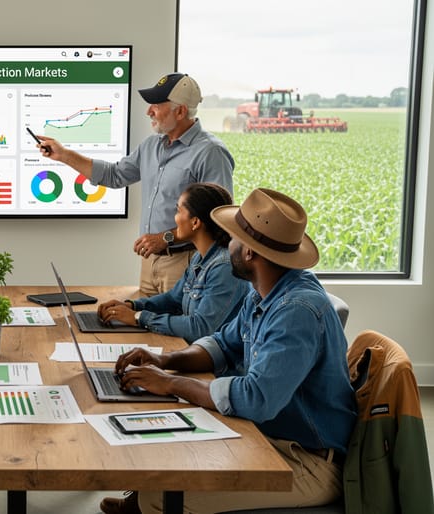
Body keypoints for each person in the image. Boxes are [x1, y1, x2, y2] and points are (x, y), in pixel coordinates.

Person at [99, 188, 357, 514]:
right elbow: (221, 344)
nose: (227, 243)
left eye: (233, 237)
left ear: (249, 252)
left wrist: (171, 382)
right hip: (271, 436)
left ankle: (147, 504)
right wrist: (164, 360)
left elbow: (256, 398)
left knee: (160, 497)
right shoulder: (264, 290)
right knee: (157, 446)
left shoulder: (296, 312)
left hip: (306, 460)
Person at [36, 73, 234, 297]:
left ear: (180, 111)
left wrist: (165, 238)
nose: (149, 111)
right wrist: (63, 155)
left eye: (157, 105)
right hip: (150, 262)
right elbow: (114, 175)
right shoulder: (151, 146)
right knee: (143, 328)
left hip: (185, 262)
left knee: (176, 331)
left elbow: (218, 218)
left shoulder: (210, 152)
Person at [97, 182, 249, 343]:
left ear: (195, 222)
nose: (174, 218)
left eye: (178, 211)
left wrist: (138, 317)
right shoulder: (200, 258)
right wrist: (132, 306)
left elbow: (201, 328)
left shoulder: (224, 268)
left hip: (214, 366)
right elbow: (173, 299)